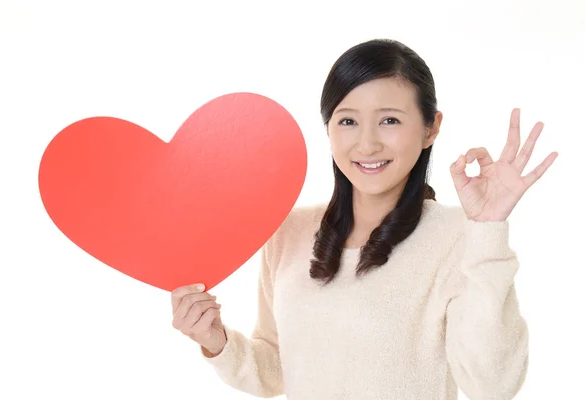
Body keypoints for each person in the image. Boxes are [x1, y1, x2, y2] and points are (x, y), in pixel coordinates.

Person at [170, 39, 557, 399]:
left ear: (430, 128)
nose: (367, 143)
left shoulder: (459, 236)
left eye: (389, 120)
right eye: (348, 121)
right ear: (328, 129)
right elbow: (274, 370)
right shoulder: (289, 231)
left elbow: (493, 383)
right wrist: (216, 341)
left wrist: (488, 229)